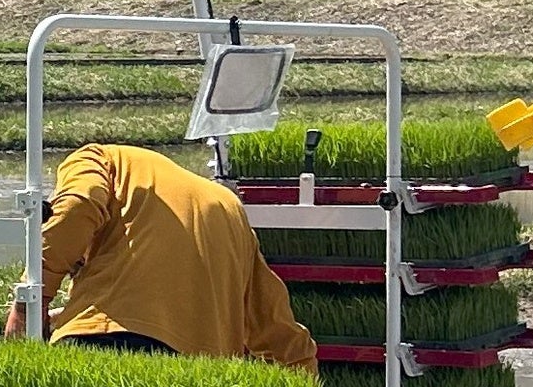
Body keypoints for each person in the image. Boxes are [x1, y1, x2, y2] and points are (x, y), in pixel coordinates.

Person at [18, 140, 317, 369]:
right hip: (203, 376)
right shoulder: (226, 204)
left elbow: (78, 207)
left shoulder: (95, 157)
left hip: (103, 346)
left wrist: (31, 301)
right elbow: (273, 321)